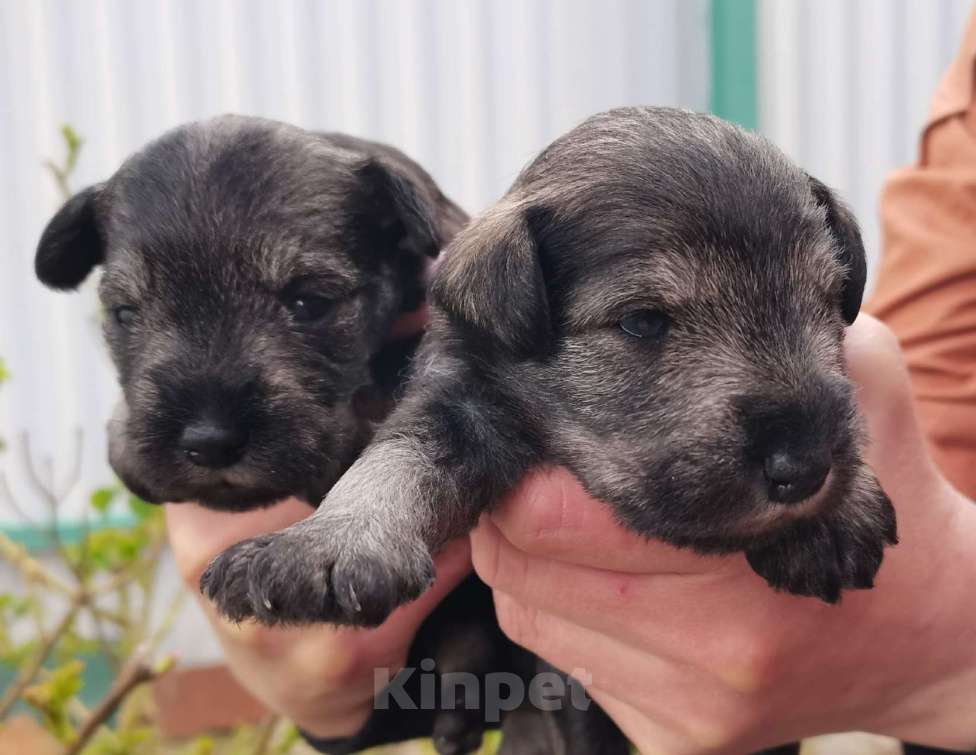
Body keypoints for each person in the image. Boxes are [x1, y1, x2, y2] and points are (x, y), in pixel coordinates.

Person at [165, 15, 976, 753]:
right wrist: (353, 550)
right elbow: (430, 445)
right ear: (508, 306)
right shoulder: (485, 324)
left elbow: (911, 449)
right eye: (647, 323)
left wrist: (937, 650)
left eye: (812, 302)